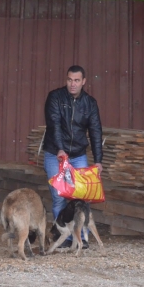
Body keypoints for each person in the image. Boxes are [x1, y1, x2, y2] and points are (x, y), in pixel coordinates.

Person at [43, 65, 103, 249]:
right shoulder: (55, 97)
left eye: (77, 80)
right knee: (59, 195)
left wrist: (99, 161)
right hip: (55, 153)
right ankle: (65, 237)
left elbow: (95, 132)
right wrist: (60, 149)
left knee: (81, 197)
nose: (73, 84)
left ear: (84, 81)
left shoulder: (90, 103)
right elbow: (54, 125)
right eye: (70, 80)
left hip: (77, 155)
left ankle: (81, 238)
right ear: (66, 80)